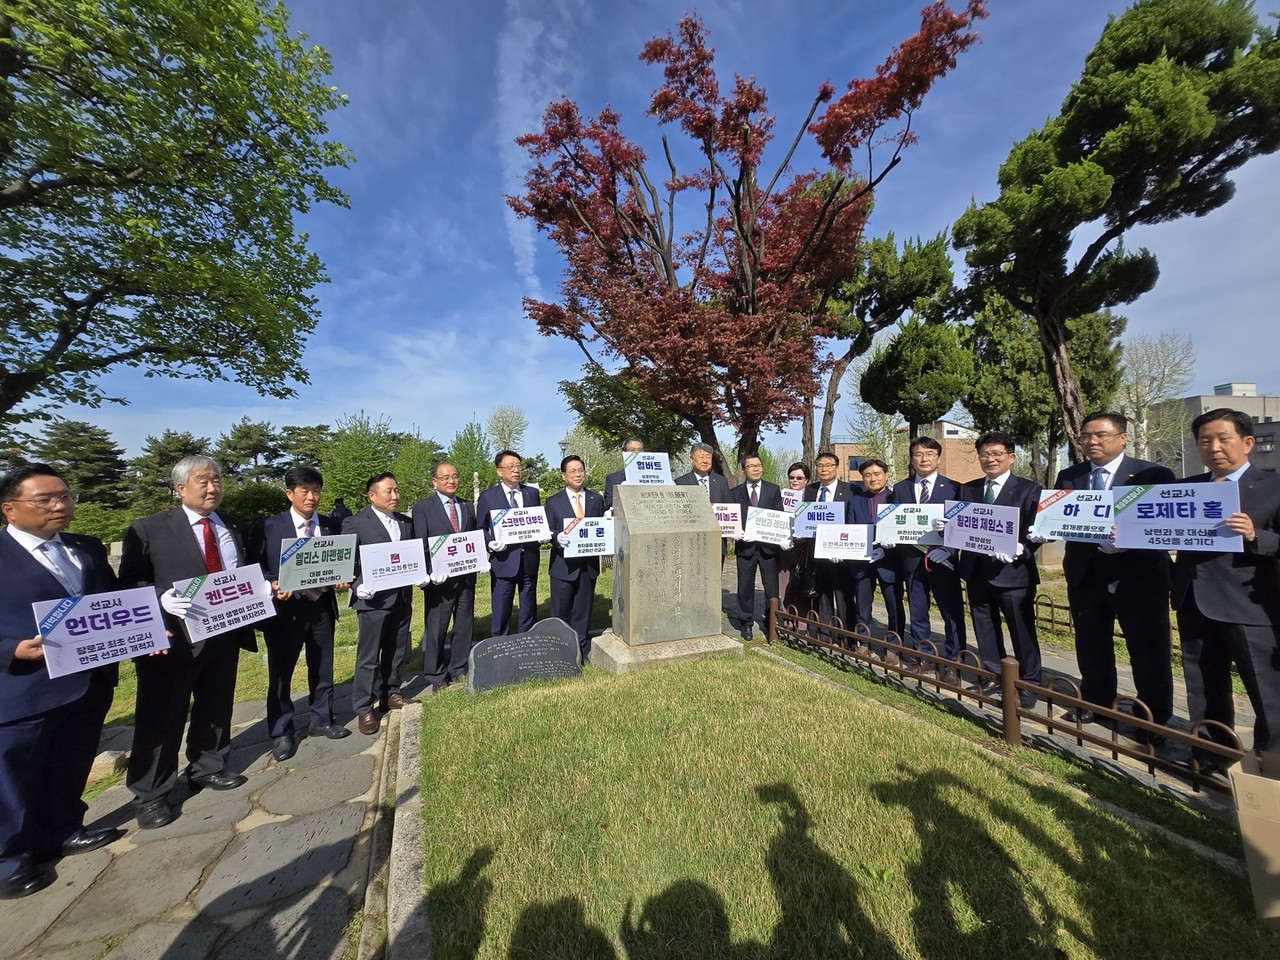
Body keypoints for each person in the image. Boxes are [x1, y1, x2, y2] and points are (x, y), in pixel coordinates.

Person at [0, 465, 123, 898]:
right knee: (13, 775)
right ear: (9, 509)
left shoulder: (84, 549)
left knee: (72, 760)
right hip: (22, 687)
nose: (60, 505)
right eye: (45, 499)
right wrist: (9, 650)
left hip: (87, 679)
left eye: (66, 496)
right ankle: (9, 861)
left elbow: (113, 604)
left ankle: (66, 828)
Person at [120, 455, 255, 829]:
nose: (213, 488)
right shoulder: (149, 529)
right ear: (181, 488)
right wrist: (158, 598)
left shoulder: (234, 526)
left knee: (216, 703)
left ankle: (208, 766)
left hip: (224, 631)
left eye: (217, 481)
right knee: (162, 714)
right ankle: (151, 793)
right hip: (171, 639)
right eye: (203, 481)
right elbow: (129, 582)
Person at [1171, 408, 1280, 765]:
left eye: (1223, 438)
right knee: (1203, 686)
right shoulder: (1187, 489)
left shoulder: (1273, 486)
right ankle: (1209, 756)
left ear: (1248, 443)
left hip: (1249, 605)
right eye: (1205, 441)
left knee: (1266, 689)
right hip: (1194, 599)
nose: (1214, 447)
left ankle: (1270, 762)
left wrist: (1255, 535)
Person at [1052, 412, 1175, 726]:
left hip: (1139, 576)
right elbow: (1059, 518)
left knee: (1148, 649)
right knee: (1091, 644)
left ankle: (1152, 718)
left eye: (1101, 435)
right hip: (1086, 573)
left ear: (1123, 437)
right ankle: (1097, 703)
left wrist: (1132, 540)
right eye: (1086, 436)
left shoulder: (1152, 474)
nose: (1092, 441)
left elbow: (1167, 524)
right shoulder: (1070, 476)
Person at [248, 466, 351, 763]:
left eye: (316, 491)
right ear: (289, 493)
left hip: (320, 606)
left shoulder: (331, 525)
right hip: (285, 612)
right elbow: (253, 566)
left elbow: (340, 560)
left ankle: (322, 719)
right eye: (304, 491)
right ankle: (282, 731)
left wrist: (343, 576)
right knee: (281, 673)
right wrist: (271, 582)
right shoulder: (269, 526)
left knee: (322, 665)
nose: (311, 497)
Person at [948, 432, 1043, 704]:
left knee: (1021, 630)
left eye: (997, 454)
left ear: (1011, 457)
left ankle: (1029, 682)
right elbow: (960, 524)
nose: (990, 459)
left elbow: (1036, 528)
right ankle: (992, 675)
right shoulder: (969, 489)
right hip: (977, 571)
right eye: (985, 454)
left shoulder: (1029, 489)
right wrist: (948, 528)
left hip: (1012, 574)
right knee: (985, 627)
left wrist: (1023, 548)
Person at [343, 472, 417, 736]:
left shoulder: (406, 523)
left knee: (396, 649)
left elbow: (413, 555)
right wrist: (356, 584)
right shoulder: (355, 523)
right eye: (389, 491)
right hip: (373, 600)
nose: (395, 496)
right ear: (372, 495)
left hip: (401, 596)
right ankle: (363, 707)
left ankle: (391, 693)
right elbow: (347, 561)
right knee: (369, 656)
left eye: (397, 490)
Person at [884, 437, 966, 669]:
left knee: (951, 613)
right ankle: (925, 656)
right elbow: (894, 522)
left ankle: (955, 662)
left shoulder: (955, 488)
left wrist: (949, 548)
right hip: (911, 561)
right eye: (919, 454)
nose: (924, 458)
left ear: (938, 458)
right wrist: (890, 537)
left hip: (943, 561)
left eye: (930, 454)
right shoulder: (901, 488)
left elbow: (962, 526)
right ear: (912, 458)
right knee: (918, 613)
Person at [411, 462, 477, 693]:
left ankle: (458, 668)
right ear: (435, 481)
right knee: (437, 628)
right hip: (439, 581)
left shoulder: (467, 506)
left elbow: (472, 538)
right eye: (445, 477)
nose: (451, 480)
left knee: (464, 624)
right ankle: (436, 674)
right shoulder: (423, 508)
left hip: (466, 577)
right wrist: (427, 571)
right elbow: (420, 542)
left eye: (455, 476)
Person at [476, 450, 543, 635]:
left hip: (528, 558)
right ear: (499, 471)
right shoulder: (488, 496)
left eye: (518, 466)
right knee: (501, 610)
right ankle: (499, 647)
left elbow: (537, 521)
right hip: (503, 561)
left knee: (529, 607)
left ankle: (527, 643)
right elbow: (480, 528)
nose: (516, 470)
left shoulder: (531, 493)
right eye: (510, 466)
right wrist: (490, 543)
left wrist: (543, 532)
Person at [545, 455, 605, 662]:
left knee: (583, 610)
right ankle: (560, 652)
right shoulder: (553, 502)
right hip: (563, 567)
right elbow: (548, 530)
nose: (578, 474)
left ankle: (580, 651)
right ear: (563, 476)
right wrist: (556, 538)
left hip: (588, 566)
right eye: (573, 471)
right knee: (561, 611)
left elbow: (601, 528)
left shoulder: (596, 500)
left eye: (581, 470)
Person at [729, 453, 785, 640]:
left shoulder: (773, 489)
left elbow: (780, 516)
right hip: (745, 548)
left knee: (771, 588)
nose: (755, 468)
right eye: (751, 466)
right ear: (744, 470)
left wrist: (782, 536)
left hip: (769, 549)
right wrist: (734, 532)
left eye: (758, 465)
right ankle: (746, 623)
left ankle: (771, 622)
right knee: (745, 587)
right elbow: (731, 517)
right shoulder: (735, 492)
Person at [803, 451, 857, 636]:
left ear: (837, 467)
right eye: (820, 465)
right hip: (817, 551)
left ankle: (847, 635)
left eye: (829, 465)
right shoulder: (810, 490)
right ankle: (825, 633)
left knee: (843, 595)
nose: (824, 469)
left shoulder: (850, 490)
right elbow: (805, 518)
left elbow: (853, 521)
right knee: (823, 593)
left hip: (841, 552)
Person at [852, 459, 904, 640]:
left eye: (877, 474)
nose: (873, 479)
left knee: (894, 605)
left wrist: (886, 550)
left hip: (890, 561)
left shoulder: (896, 498)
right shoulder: (856, 500)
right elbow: (851, 528)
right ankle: (863, 641)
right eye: (867, 475)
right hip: (862, 560)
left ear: (886, 475)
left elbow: (904, 530)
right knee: (863, 605)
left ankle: (893, 643)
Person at [777, 462, 811, 612]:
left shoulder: (813, 497)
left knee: (801, 585)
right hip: (784, 548)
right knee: (782, 586)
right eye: (792, 477)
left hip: (804, 550)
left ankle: (801, 625)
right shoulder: (780, 496)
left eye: (799, 477)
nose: (795, 480)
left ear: (807, 480)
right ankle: (782, 621)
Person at [603, 437, 644, 513]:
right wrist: (621, 492)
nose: (636, 454)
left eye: (639, 450)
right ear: (623, 453)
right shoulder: (613, 479)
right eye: (631, 450)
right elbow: (607, 504)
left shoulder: (657, 477)